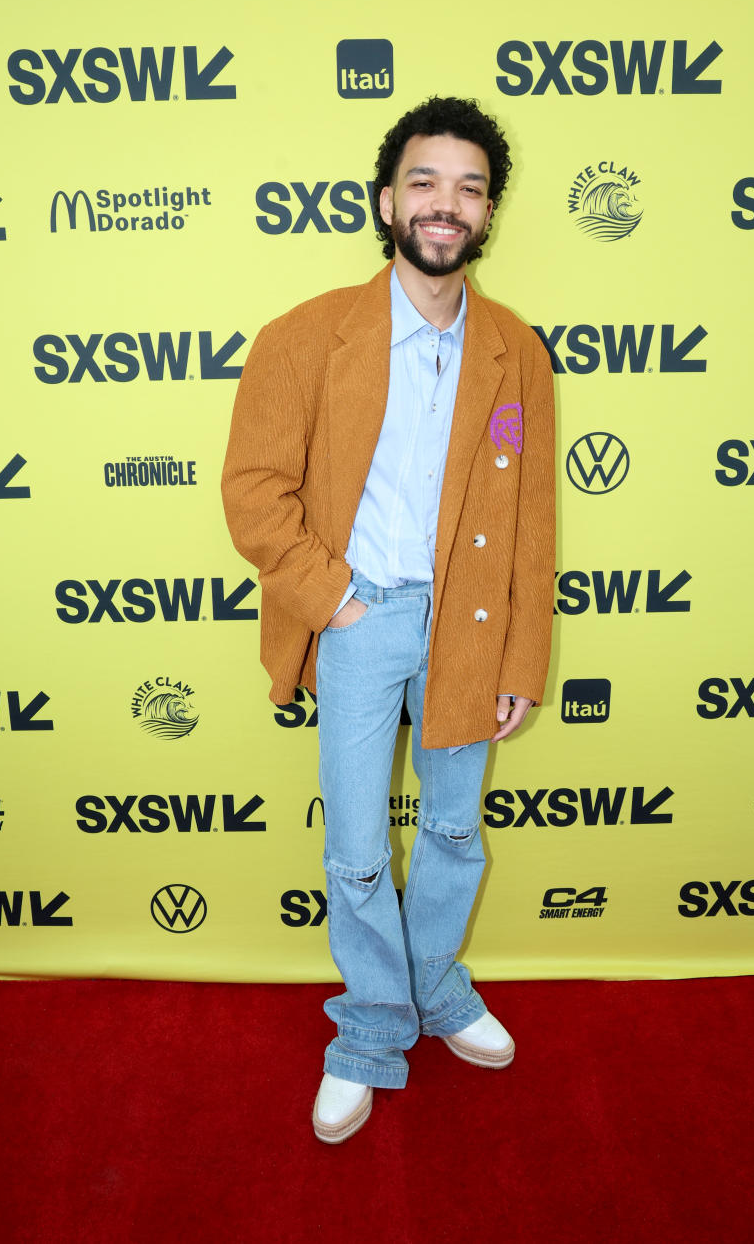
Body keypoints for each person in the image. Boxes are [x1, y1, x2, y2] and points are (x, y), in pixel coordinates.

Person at [221, 96, 555, 1143]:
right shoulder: (306, 336)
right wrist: (339, 602)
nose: (445, 204)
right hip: (359, 614)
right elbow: (253, 491)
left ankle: (439, 987)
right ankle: (370, 1024)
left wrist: (520, 657)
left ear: (489, 213)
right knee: (360, 847)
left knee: (454, 830)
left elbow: (533, 517)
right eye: (426, 181)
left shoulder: (517, 353)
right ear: (387, 200)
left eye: (468, 186)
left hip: (472, 619)